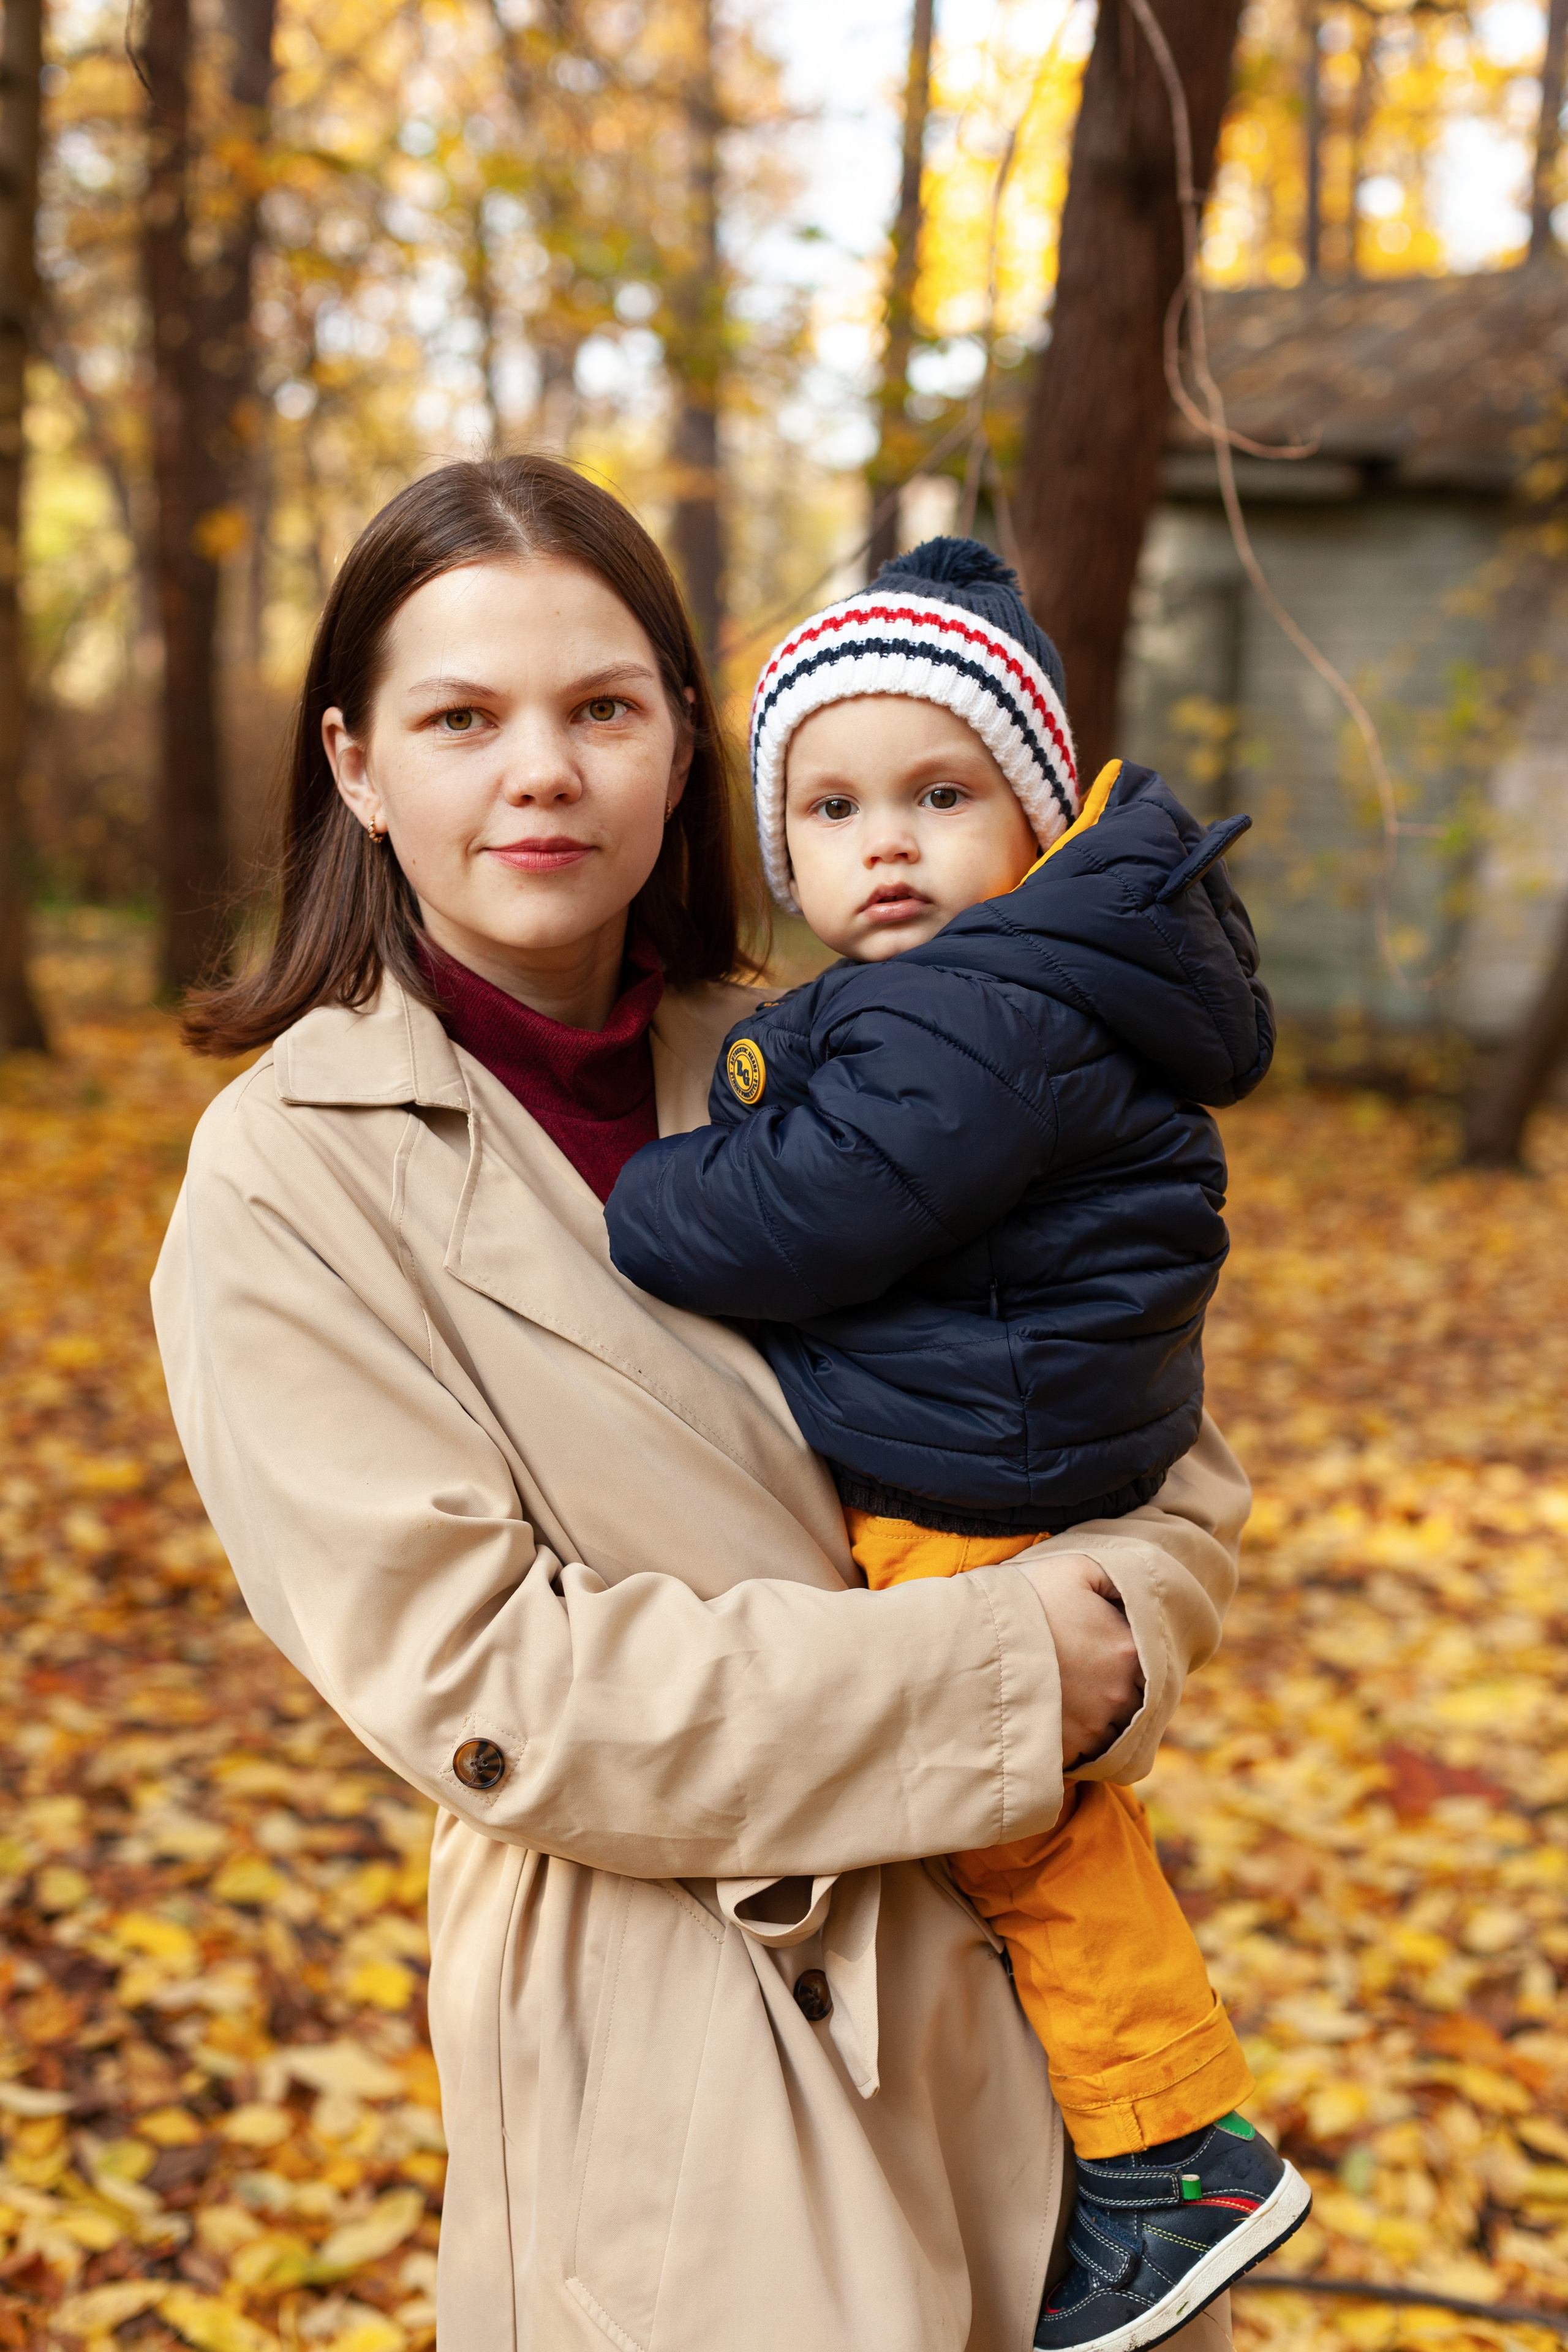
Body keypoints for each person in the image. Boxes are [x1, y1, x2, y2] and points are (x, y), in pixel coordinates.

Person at [153, 456, 1250, 2352]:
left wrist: (1131, 1629)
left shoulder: (850, 1039)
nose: (543, 772)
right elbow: (494, 1689)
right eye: (463, 719)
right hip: (686, 2048)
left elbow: (1148, 1425)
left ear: (679, 743)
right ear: (356, 764)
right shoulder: (286, 1179)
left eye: (602, 709)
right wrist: (1009, 1674)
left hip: (1039, 2021)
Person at [606, 538, 1310, 2352]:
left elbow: (823, 1214)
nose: (887, 844)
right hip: (1024, 1412)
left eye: (940, 792)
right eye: (832, 809)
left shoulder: (974, 1008)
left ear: (1038, 808)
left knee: (1028, 1828)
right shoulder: (1023, 984)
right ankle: (1137, 2137)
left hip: (975, 1465)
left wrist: (662, 1191)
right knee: (1047, 1820)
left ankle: (1176, 2150)